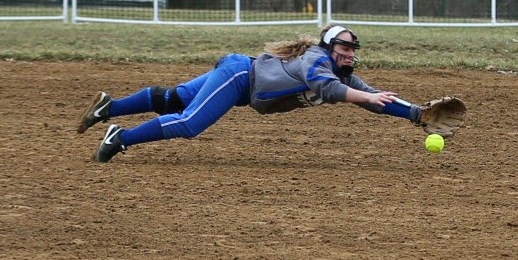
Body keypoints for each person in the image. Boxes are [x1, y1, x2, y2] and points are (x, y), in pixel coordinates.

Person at [78, 24, 430, 163]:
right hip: (240, 78)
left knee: (174, 99)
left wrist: (416, 113)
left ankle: (110, 107)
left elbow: (376, 99)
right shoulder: (316, 60)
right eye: (344, 47)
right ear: (328, 46)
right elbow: (327, 88)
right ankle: (121, 137)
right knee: (188, 122)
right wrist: (365, 97)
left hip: (241, 76)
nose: (350, 54)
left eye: (353, 50)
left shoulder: (339, 73)